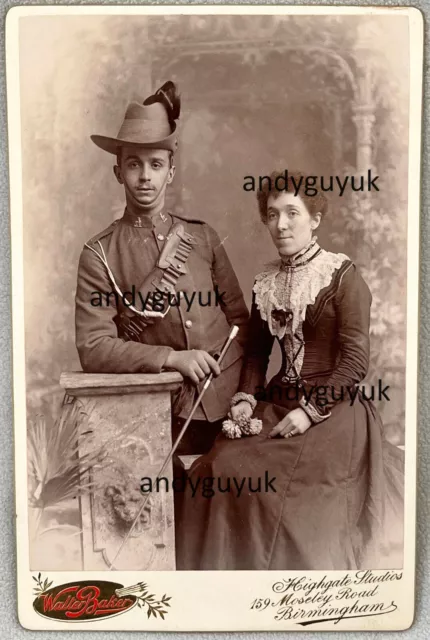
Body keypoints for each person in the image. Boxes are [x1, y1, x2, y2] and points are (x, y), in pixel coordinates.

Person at [178, 170, 404, 571]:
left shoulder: (342, 276)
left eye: (292, 213)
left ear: (315, 218)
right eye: (271, 214)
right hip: (279, 403)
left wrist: (308, 412)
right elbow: (256, 355)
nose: (280, 224)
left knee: (286, 490)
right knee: (217, 468)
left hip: (335, 411)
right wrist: (246, 398)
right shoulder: (265, 282)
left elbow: (355, 360)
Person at [75, 81, 249, 458]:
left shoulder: (202, 237)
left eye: (156, 165)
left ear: (170, 172)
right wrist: (171, 359)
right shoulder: (99, 254)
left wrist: (246, 395)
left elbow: (242, 324)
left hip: (229, 406)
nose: (145, 177)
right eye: (134, 164)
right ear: (118, 172)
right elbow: (94, 347)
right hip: (162, 413)